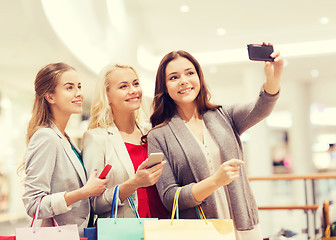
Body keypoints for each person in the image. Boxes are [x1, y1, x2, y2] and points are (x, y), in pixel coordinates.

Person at [147, 46, 284, 240]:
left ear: (199, 78)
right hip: (202, 231)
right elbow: (171, 198)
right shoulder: (159, 136)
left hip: (244, 225)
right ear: (165, 87)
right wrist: (216, 181)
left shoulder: (223, 116)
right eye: (174, 77)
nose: (184, 81)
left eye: (189, 73)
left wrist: (274, 77)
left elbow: (261, 108)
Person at [20, 62, 108, 236]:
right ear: (50, 97)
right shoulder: (46, 137)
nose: (79, 93)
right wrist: (84, 192)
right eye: (69, 88)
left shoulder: (65, 138)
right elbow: (33, 204)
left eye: (79, 86)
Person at [82, 63, 169, 219]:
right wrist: (134, 183)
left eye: (136, 84)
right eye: (123, 86)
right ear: (107, 96)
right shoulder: (96, 138)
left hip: (162, 226)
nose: (133, 90)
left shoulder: (152, 132)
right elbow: (94, 203)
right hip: (127, 230)